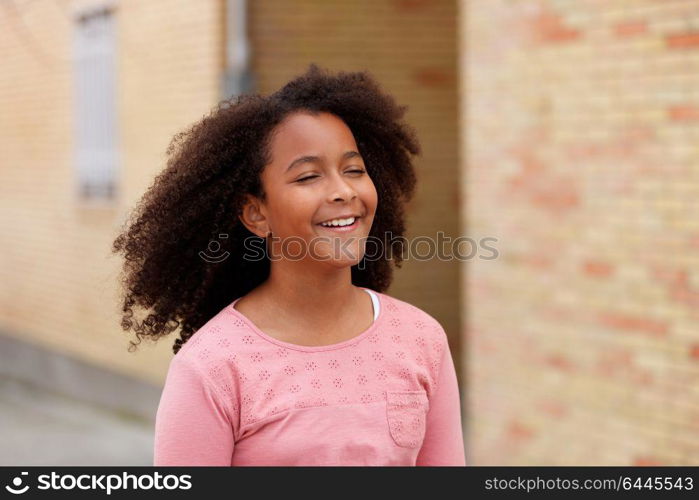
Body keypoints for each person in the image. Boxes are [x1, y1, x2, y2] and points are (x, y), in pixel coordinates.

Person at [112, 63, 466, 466]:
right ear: (255, 214)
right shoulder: (213, 366)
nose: (343, 191)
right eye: (308, 177)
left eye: (354, 170)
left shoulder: (421, 339)